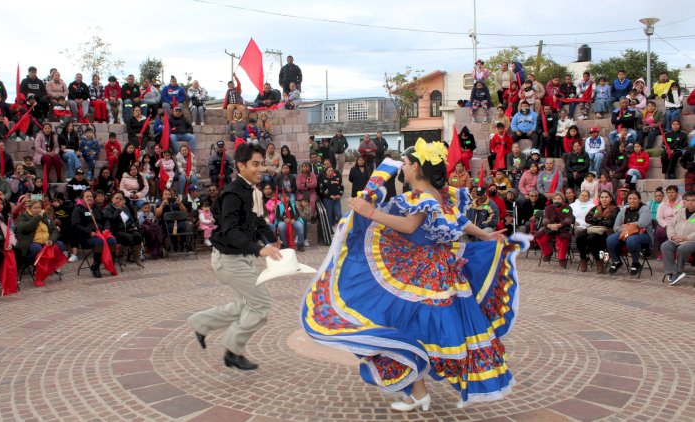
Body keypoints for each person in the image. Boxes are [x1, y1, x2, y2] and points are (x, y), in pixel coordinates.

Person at [304, 141, 523, 410]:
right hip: (435, 268)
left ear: (417, 167)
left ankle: (417, 393)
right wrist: (485, 235)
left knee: (401, 326)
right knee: (408, 329)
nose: (403, 168)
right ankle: (418, 393)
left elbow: (409, 226)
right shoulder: (437, 193)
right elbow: (460, 220)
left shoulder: (424, 196)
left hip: (424, 271)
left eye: (406, 163)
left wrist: (370, 212)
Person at [187, 143, 281, 370]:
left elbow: (257, 221)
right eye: (255, 164)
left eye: (262, 164)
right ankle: (232, 349)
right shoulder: (233, 193)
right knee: (261, 304)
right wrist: (258, 249)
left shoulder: (253, 191)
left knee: (242, 306)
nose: (261, 169)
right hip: (229, 260)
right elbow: (230, 230)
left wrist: (274, 240)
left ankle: (201, 323)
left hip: (240, 257)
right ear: (241, 165)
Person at [605, 190, 652, 275]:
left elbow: (642, 223)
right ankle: (616, 261)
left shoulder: (645, 209)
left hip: (642, 234)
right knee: (610, 239)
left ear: (639, 200)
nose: (632, 201)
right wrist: (629, 228)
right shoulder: (623, 210)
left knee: (631, 239)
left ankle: (635, 263)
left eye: (635, 199)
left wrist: (626, 225)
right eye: (630, 198)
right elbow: (616, 227)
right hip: (625, 234)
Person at [72, 190, 116, 278]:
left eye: (91, 196)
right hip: (86, 237)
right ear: (82, 199)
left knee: (112, 240)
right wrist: (89, 232)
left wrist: (106, 229)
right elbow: (75, 225)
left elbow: (106, 220)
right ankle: (95, 266)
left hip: (100, 233)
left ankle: (111, 264)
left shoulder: (97, 207)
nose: (89, 198)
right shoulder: (78, 209)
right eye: (87, 196)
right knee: (99, 242)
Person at [577, 190, 619, 273]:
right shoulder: (596, 208)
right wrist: (602, 219)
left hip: (607, 231)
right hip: (593, 228)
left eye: (606, 197)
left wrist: (596, 220)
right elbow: (588, 219)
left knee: (594, 239)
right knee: (580, 237)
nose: (604, 199)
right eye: (602, 197)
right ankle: (583, 258)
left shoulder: (615, 209)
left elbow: (611, 222)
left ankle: (598, 260)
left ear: (610, 198)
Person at [16, 198, 65, 265]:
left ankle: (52, 265)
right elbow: (25, 228)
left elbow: (54, 230)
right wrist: (38, 217)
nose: (38, 210)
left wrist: (51, 240)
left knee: (60, 245)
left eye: (39, 208)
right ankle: (34, 265)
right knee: (37, 249)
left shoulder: (45, 215)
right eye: (35, 208)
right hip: (31, 242)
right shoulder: (23, 216)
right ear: (29, 209)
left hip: (46, 241)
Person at [662, 190, 695, 285]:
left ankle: (679, 271)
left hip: (692, 241)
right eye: (688, 200)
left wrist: (686, 238)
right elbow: (670, 226)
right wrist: (673, 236)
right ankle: (671, 271)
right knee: (665, 246)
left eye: (693, 200)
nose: (690, 202)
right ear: (685, 201)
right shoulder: (680, 212)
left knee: (682, 248)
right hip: (677, 239)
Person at [104, 192, 143, 268]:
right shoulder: (107, 209)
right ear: (112, 199)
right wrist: (118, 209)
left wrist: (133, 226)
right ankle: (121, 256)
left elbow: (132, 220)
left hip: (126, 229)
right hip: (114, 231)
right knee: (128, 237)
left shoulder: (125, 208)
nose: (118, 200)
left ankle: (136, 257)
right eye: (116, 198)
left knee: (138, 235)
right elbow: (112, 221)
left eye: (120, 199)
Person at [535, 192, 574, 268]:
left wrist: (560, 225)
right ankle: (548, 253)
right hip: (550, 228)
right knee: (539, 237)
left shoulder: (567, 208)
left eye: (559, 199)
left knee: (563, 239)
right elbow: (545, 219)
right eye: (555, 199)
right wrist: (549, 225)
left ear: (562, 200)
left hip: (563, 228)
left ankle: (561, 258)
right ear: (553, 200)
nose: (557, 200)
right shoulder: (548, 208)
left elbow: (568, 219)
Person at [655, 186, 682, 257]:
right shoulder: (663, 204)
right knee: (660, 231)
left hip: (679, 223)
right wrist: (666, 225)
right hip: (666, 224)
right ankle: (661, 251)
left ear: (677, 193)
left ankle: (676, 251)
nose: (670, 194)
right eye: (668, 192)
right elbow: (659, 217)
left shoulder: (682, 203)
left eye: (672, 192)